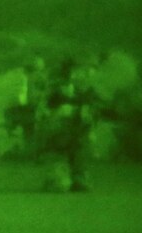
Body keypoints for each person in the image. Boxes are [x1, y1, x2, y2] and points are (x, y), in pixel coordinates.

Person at [35, 57, 100, 192]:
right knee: (59, 186)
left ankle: (78, 174)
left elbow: (87, 126)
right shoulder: (52, 96)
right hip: (54, 145)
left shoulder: (80, 98)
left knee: (82, 141)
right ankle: (57, 175)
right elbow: (44, 127)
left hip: (72, 141)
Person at [2, 56, 48, 159]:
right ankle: (28, 149)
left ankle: (27, 149)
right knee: (29, 128)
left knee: (29, 128)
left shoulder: (30, 78)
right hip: (27, 110)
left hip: (26, 110)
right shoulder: (31, 78)